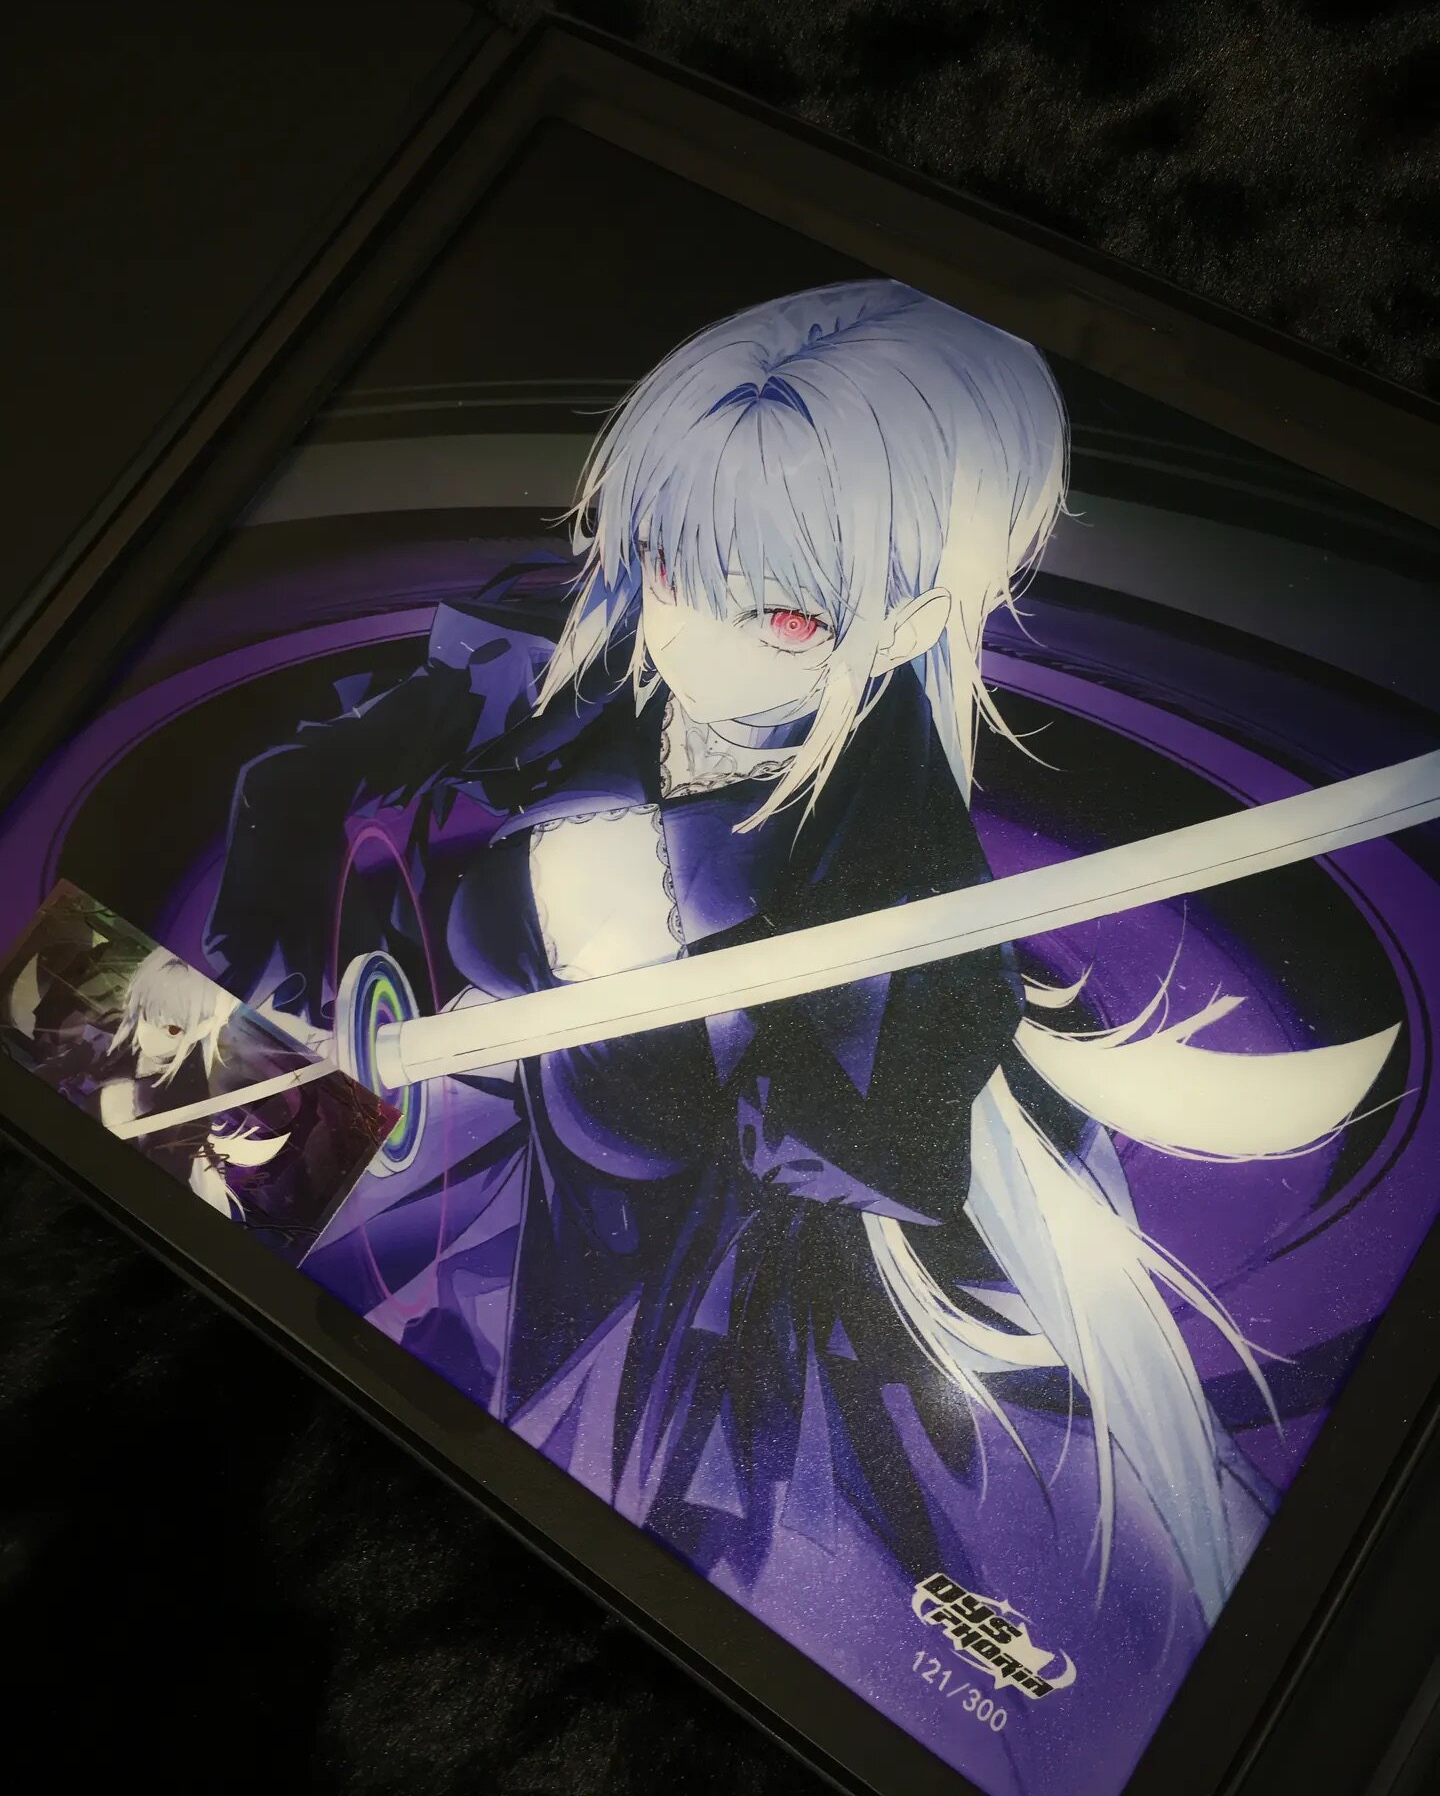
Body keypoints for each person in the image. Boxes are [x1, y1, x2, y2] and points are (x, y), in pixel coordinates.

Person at [206, 281, 1395, 1752]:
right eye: (667, 562)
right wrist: (290, 894)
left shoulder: (896, 888)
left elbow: (898, 1145)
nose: (693, 637)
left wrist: (772, 1073)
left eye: (777, 613)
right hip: (473, 1169)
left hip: (677, 1307)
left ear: (909, 620)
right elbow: (338, 772)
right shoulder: (570, 663)